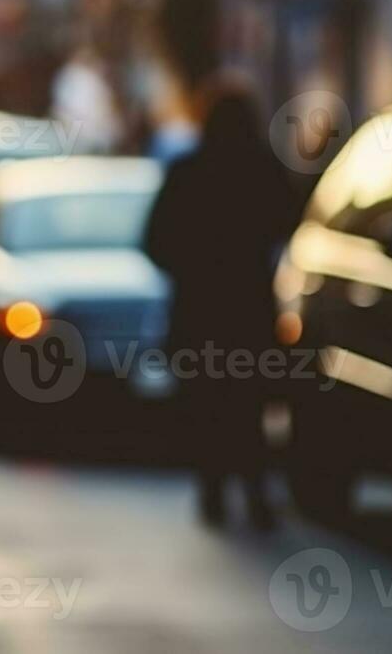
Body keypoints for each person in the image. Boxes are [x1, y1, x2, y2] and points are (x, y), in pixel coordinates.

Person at [143, 82, 298, 530]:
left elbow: (155, 241)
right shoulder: (263, 170)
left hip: (199, 312)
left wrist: (191, 268)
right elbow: (286, 224)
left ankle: (214, 490)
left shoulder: (188, 172)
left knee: (207, 403)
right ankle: (253, 492)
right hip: (247, 311)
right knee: (247, 405)